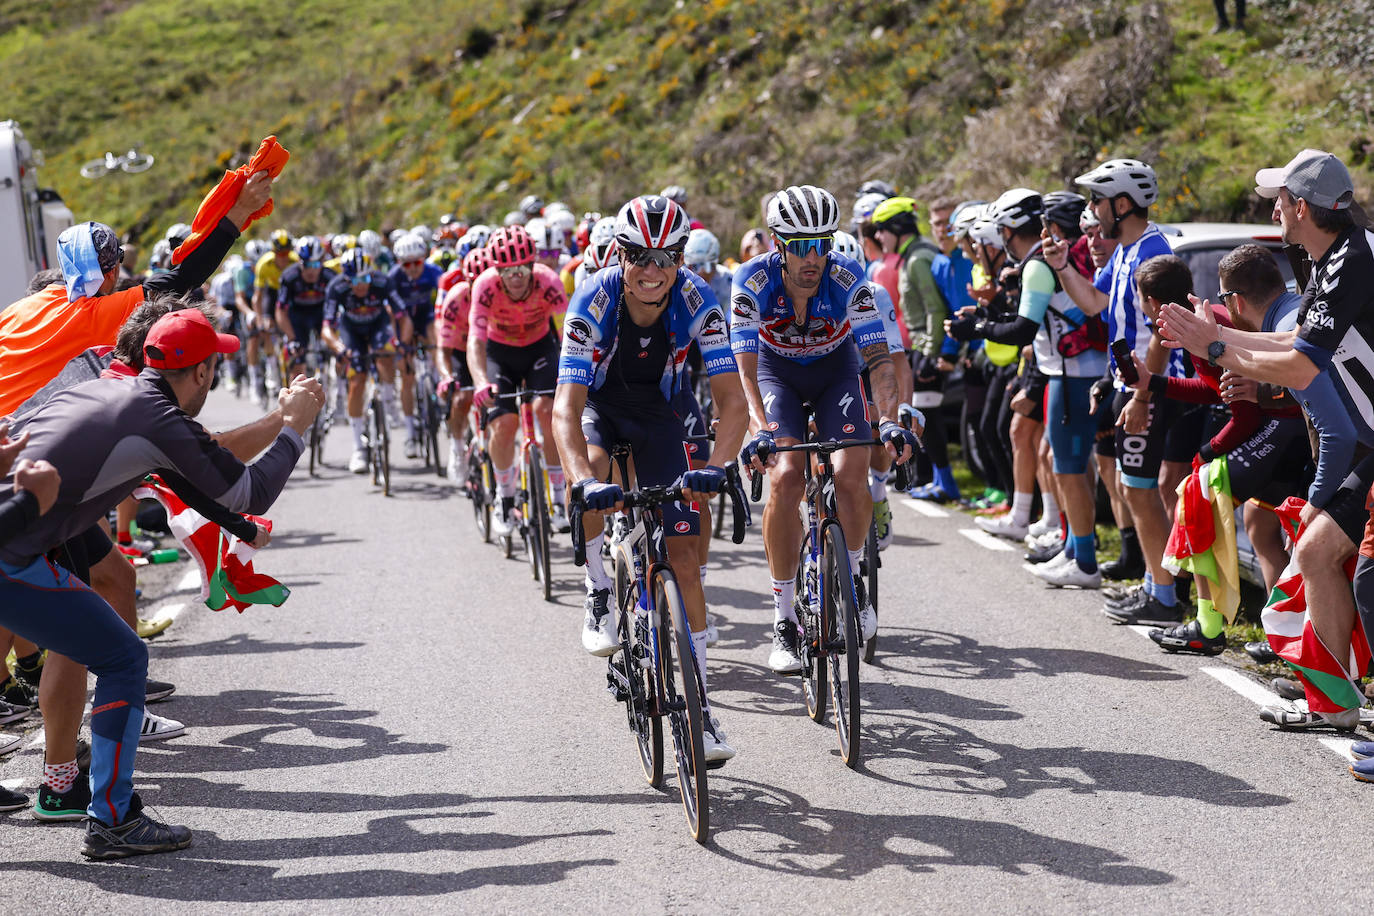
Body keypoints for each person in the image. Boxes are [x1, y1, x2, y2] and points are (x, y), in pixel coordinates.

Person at [0, 305, 322, 859]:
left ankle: (76, 791)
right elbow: (246, 488)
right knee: (123, 658)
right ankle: (114, 818)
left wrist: (238, 526)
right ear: (202, 373)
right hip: (12, 551)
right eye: (213, 369)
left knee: (100, 644)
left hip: (22, 539)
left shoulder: (110, 386)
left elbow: (183, 479)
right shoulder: (156, 417)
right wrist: (293, 428)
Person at [1158, 149, 1374, 728]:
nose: (1272, 206)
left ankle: (1338, 697)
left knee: (1351, 573)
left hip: (1363, 447)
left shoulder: (1354, 259)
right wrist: (1215, 339)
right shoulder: (1329, 261)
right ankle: (1335, 704)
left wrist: (1218, 346)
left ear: (1300, 207)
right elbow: (1294, 346)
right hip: (1369, 448)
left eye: (1278, 198)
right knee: (1315, 553)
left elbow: (1303, 369)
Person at [553, 194, 747, 763]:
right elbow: (566, 408)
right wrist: (581, 480)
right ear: (620, 253)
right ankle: (597, 589)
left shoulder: (697, 297)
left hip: (658, 413)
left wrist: (717, 467)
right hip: (601, 406)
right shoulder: (594, 296)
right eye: (639, 255)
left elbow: (731, 401)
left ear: (682, 259)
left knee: (684, 558)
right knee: (591, 473)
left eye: (666, 258)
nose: (652, 270)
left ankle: (702, 709)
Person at [732, 185, 918, 674]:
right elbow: (745, 373)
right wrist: (759, 430)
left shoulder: (849, 277)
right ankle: (784, 618)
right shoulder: (750, 279)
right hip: (777, 376)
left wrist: (891, 422)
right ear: (778, 244)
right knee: (787, 475)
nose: (812, 258)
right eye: (799, 246)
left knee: (851, 472)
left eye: (821, 244)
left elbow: (879, 361)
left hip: (837, 370)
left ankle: (854, 576)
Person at [1043, 158, 1182, 626]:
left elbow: (1165, 330)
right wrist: (1062, 267)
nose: (1092, 210)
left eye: (1097, 200)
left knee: (1140, 490)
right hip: (1131, 383)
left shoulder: (1151, 250)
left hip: (1152, 386)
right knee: (1137, 488)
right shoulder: (1125, 248)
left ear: (1122, 204)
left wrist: (1143, 397)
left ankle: (1164, 596)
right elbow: (1094, 304)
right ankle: (1155, 585)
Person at [467, 225, 570, 534]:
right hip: (500, 353)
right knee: (503, 423)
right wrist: (481, 380)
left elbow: (567, 333)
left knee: (548, 411)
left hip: (540, 348)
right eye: (508, 270)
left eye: (522, 267)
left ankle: (558, 495)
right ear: (497, 270)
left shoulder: (549, 281)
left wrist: (574, 374)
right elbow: (475, 341)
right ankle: (504, 495)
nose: (516, 275)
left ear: (532, 264)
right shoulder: (484, 287)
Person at [323, 249, 406, 474]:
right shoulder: (336, 287)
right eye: (356, 281)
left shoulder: (382, 281)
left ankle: (388, 403)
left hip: (378, 324)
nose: (362, 285)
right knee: (357, 381)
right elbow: (327, 328)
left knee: (385, 354)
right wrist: (339, 348)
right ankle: (358, 447)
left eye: (366, 278)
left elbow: (402, 315)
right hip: (352, 330)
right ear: (347, 280)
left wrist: (402, 342)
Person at [388, 233, 445, 459]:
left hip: (427, 316)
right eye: (407, 264)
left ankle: (438, 378)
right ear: (399, 263)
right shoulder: (393, 278)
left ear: (424, 259)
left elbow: (444, 303)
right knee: (407, 377)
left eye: (417, 263)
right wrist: (399, 345)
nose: (412, 268)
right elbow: (392, 314)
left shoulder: (434, 272)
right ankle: (410, 433)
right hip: (404, 320)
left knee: (436, 334)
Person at [275, 237, 337, 380]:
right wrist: (291, 338)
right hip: (298, 316)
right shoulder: (289, 277)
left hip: (321, 314)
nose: (311, 270)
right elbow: (281, 311)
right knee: (297, 359)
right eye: (306, 264)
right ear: (299, 261)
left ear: (322, 261)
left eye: (315, 264)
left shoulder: (330, 276)